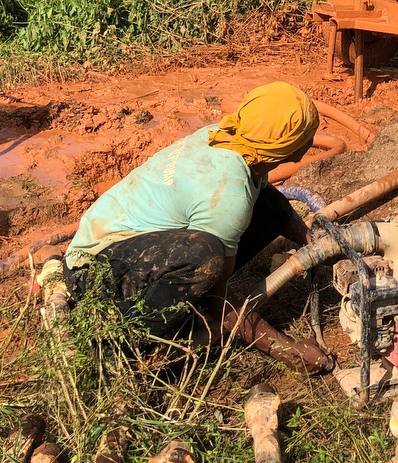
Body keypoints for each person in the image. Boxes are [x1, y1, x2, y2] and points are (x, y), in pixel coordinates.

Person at [63, 81, 332, 372]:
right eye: (308, 135)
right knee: (207, 257)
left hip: (125, 242)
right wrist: (284, 348)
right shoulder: (229, 192)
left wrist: (321, 245)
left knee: (266, 205)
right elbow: (219, 297)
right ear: (291, 149)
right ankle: (128, 342)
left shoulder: (230, 137)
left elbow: (272, 202)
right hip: (96, 275)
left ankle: (178, 301)